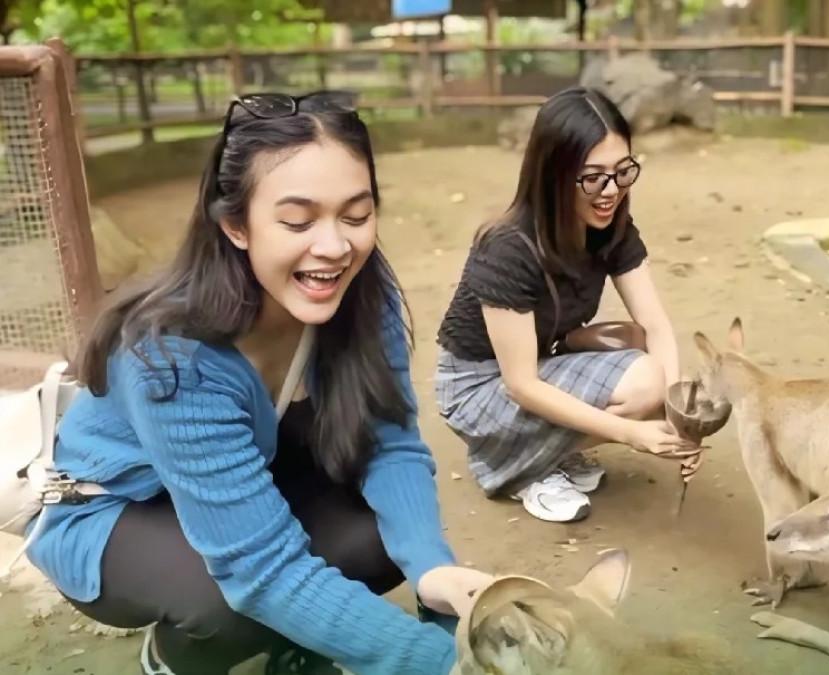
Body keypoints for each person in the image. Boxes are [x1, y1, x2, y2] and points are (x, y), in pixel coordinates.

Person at [24, 91, 491, 675]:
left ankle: (307, 638)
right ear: (236, 226)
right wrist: (442, 664)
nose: (335, 247)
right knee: (230, 601)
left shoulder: (364, 294)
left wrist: (431, 571)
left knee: (378, 539)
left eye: (356, 214)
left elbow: (391, 444)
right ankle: (175, 657)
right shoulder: (173, 358)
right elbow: (263, 570)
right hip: (117, 510)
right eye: (297, 220)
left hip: (242, 475)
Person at [435, 87, 699, 524]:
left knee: (665, 379)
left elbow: (655, 324)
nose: (610, 191)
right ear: (553, 174)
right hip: (478, 387)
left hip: (539, 360)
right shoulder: (507, 248)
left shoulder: (610, 227)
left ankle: (538, 452)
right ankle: (514, 466)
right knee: (645, 380)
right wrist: (631, 434)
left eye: (623, 171)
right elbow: (520, 384)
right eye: (592, 177)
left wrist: (679, 420)